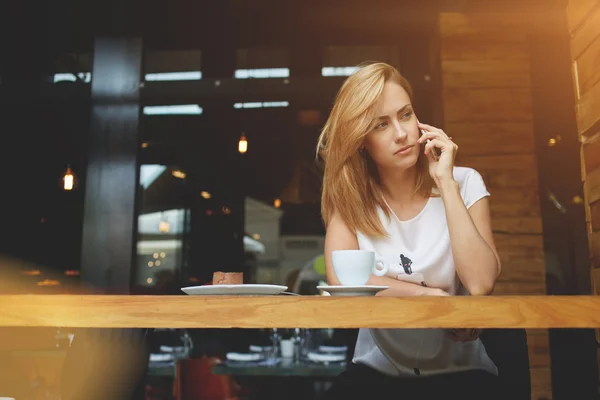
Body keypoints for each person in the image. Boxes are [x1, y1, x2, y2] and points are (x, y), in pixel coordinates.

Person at [316, 62, 502, 400]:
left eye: (405, 115)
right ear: (361, 140)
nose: (401, 133)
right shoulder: (351, 199)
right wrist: (429, 297)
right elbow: (342, 280)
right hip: (378, 373)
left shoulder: (464, 181)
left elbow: (480, 282)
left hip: (463, 374)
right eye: (381, 125)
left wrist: (445, 182)